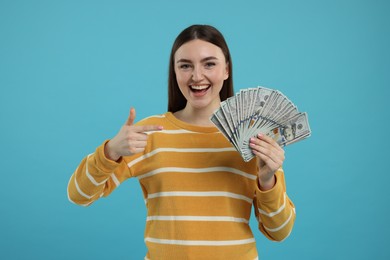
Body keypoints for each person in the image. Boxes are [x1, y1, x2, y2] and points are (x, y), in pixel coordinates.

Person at [67, 24, 296, 260]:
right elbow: (79, 195)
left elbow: (279, 232)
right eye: (185, 66)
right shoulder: (151, 134)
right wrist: (110, 151)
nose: (197, 76)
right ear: (174, 72)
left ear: (226, 69)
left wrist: (268, 179)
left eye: (209, 64)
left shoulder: (254, 138)